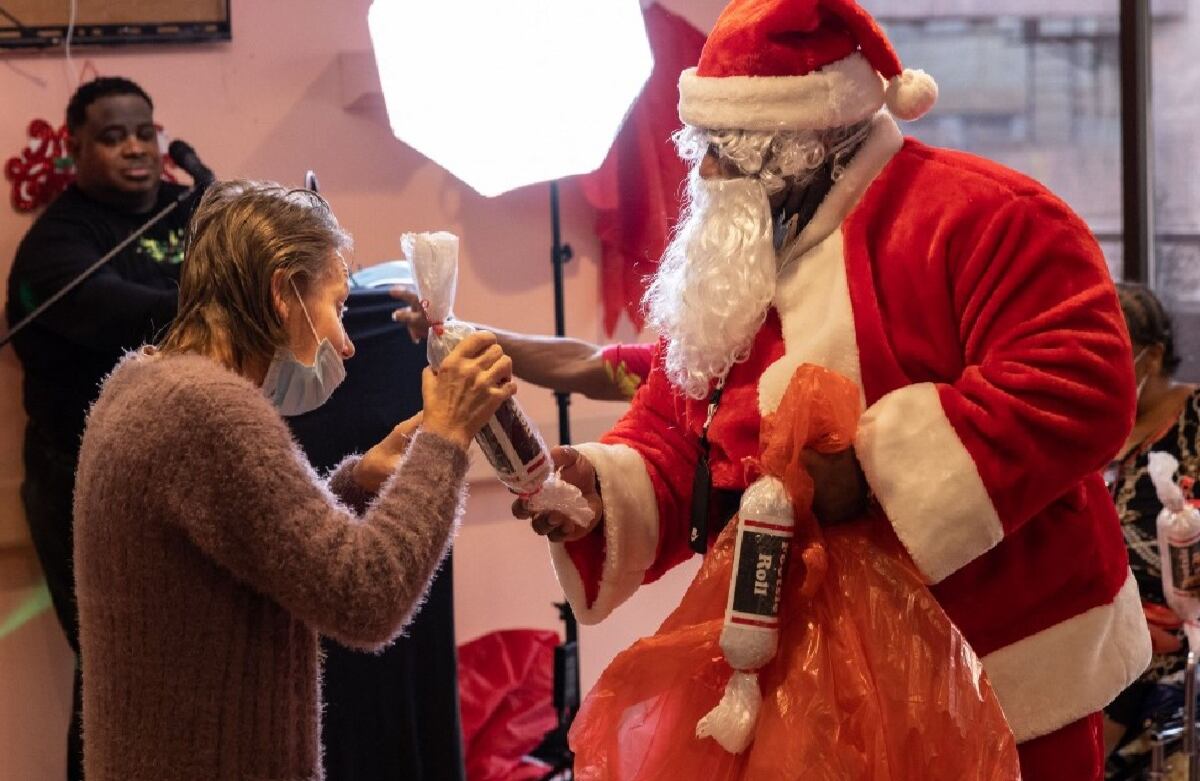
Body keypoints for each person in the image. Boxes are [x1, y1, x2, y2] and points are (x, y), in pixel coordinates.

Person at [517, 0, 1151, 778]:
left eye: (733, 148)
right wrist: (598, 489)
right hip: (804, 689)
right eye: (704, 146)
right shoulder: (741, 255)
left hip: (1001, 671)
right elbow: (679, 429)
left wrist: (877, 471)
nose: (709, 172)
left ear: (813, 135)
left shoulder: (985, 216)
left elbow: (1080, 381)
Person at [71, 181, 515, 781]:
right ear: (283, 291)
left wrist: (358, 484)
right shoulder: (211, 411)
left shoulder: (143, 384)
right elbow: (367, 596)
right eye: (335, 305)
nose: (346, 341)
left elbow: (250, 547)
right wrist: (446, 437)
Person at [3, 75, 193, 781]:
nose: (135, 149)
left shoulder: (194, 205)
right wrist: (217, 298)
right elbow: (119, 310)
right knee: (115, 672)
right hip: (82, 482)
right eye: (112, 137)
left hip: (181, 471)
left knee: (188, 670)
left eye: (144, 132)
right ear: (73, 148)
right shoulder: (55, 244)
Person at [1103, 283, 1199, 779]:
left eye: (1111, 352)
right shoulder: (1093, 427)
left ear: (1152, 356)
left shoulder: (1195, 420)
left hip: (1172, 658)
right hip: (1099, 643)